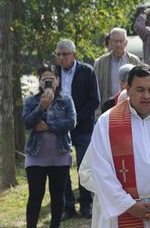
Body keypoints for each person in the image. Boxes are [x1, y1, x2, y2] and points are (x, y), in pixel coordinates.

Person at [78, 65, 150, 228]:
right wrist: (128, 205)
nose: (146, 95)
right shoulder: (107, 122)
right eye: (140, 89)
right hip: (125, 212)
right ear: (127, 89)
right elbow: (101, 170)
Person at [23, 64, 77, 228]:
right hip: (35, 156)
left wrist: (48, 127)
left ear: (58, 81)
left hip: (60, 156)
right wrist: (42, 107)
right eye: (44, 79)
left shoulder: (66, 99)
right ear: (39, 82)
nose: (48, 82)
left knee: (57, 196)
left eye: (51, 79)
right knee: (35, 196)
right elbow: (27, 122)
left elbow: (72, 122)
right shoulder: (31, 101)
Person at [55, 39, 99, 221]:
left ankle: (86, 204)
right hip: (59, 129)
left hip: (83, 127)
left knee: (84, 166)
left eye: (65, 54)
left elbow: (94, 100)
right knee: (61, 167)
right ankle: (68, 205)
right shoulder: (53, 72)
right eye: (58, 54)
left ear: (74, 54)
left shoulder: (87, 71)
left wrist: (76, 118)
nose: (61, 58)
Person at [93, 28, 142, 106]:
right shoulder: (100, 63)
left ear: (126, 43)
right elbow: (94, 89)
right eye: (115, 41)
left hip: (130, 105)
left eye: (121, 41)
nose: (118, 44)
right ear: (110, 42)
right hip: (108, 106)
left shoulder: (135, 61)